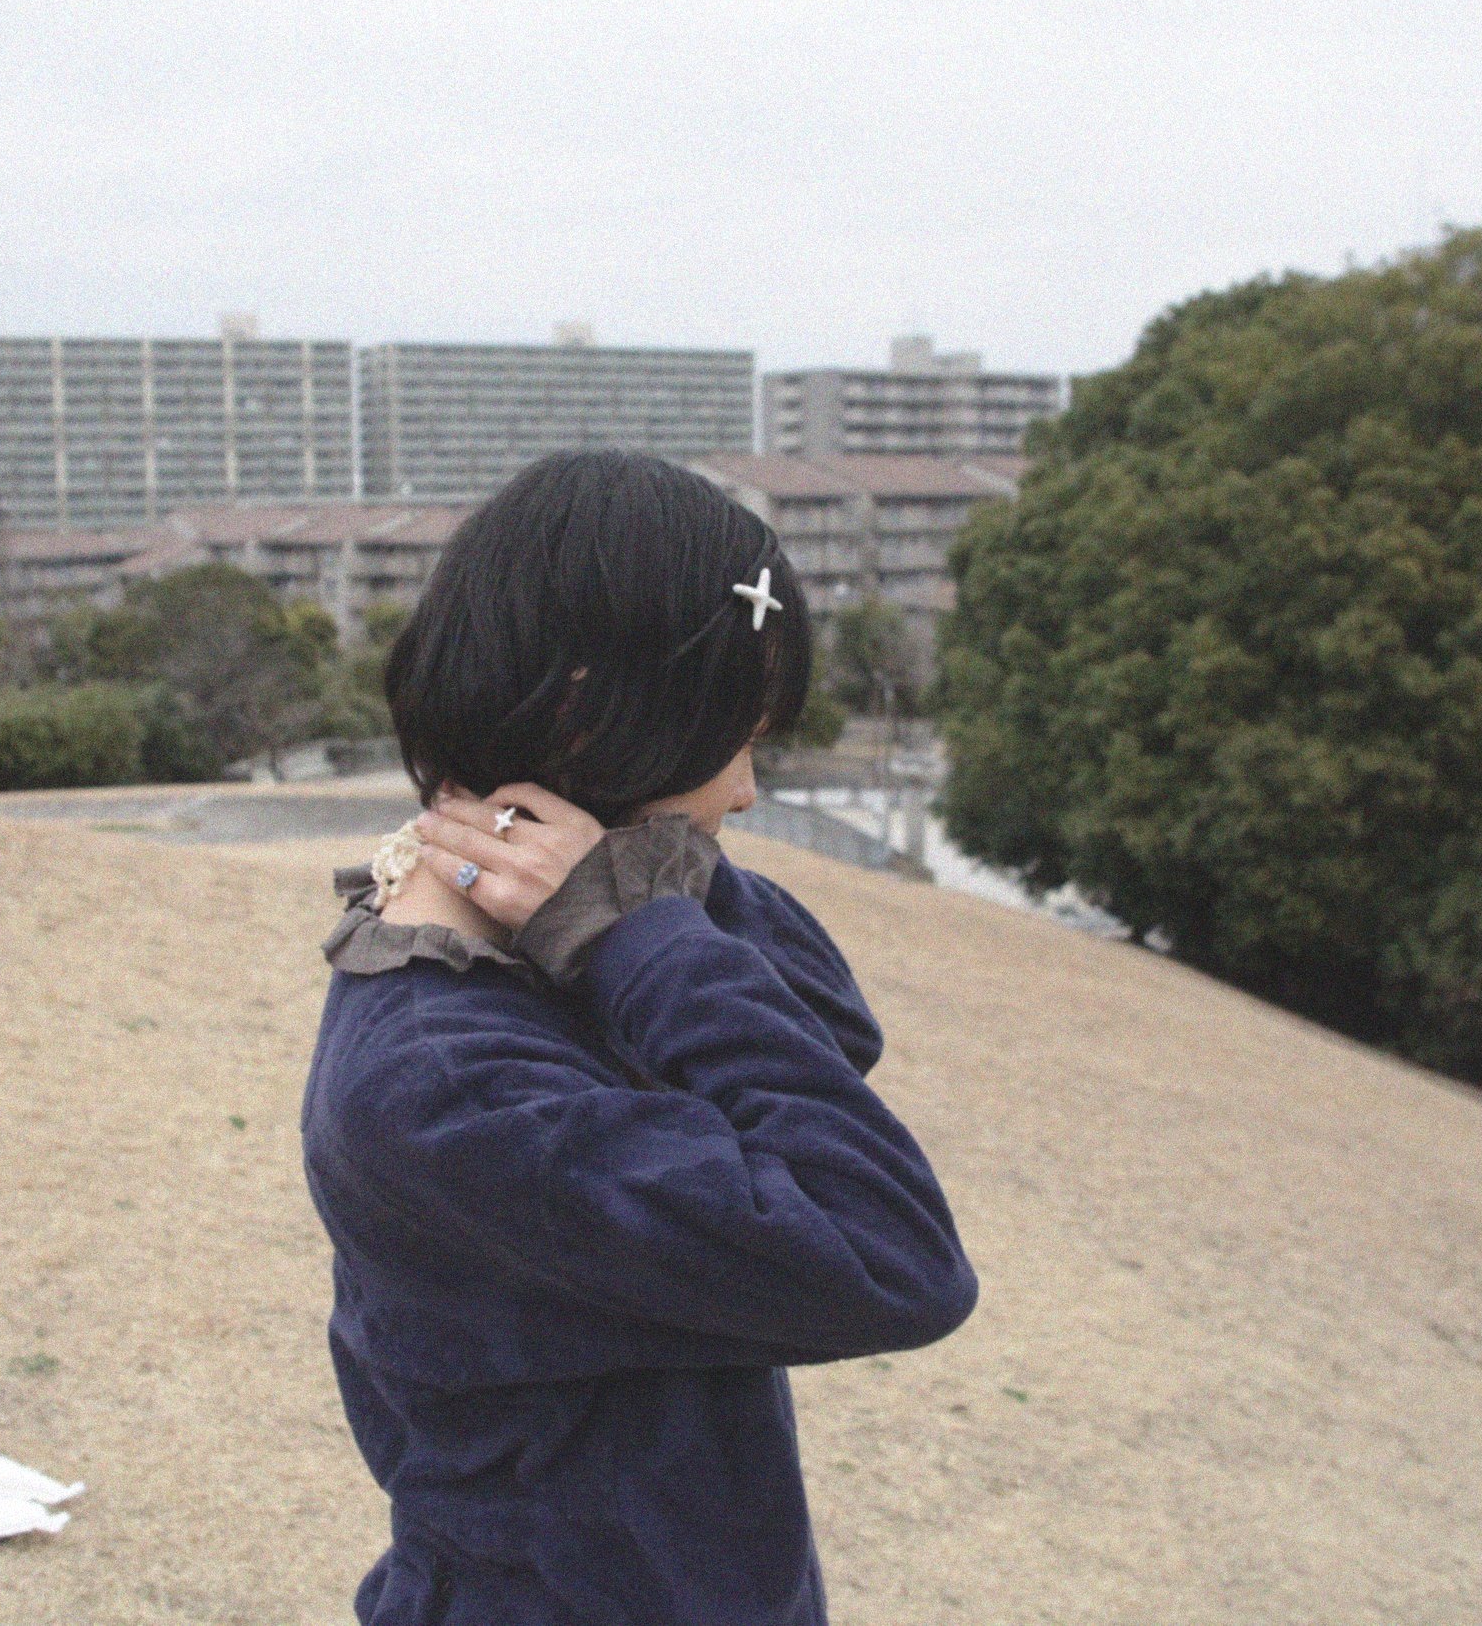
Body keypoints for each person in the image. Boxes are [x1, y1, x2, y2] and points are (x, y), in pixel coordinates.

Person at [299, 449, 979, 1624]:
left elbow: (827, 1026)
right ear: (585, 713)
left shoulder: (557, 947)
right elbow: (893, 1252)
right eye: (733, 738)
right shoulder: (446, 1081)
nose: (746, 789)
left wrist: (625, 904)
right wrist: (627, 928)